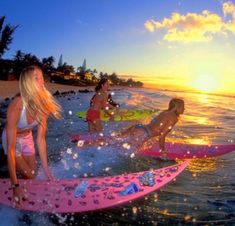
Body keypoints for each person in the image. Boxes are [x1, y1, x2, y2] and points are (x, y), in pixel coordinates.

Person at [1, 65, 62, 205]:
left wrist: (47, 173)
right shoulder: (17, 106)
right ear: (28, 82)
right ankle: (18, 186)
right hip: (12, 140)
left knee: (33, 174)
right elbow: (10, 150)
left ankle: (25, 188)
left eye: (41, 78)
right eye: (36, 78)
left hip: (27, 138)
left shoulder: (44, 104)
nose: (42, 82)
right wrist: (14, 186)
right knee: (28, 173)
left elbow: (40, 139)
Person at [114, 98, 185, 154]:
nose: (184, 109)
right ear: (178, 107)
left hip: (139, 127)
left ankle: (105, 142)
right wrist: (162, 151)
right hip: (143, 133)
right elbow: (162, 135)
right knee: (123, 151)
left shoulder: (165, 112)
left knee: (117, 141)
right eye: (183, 107)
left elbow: (154, 123)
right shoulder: (174, 118)